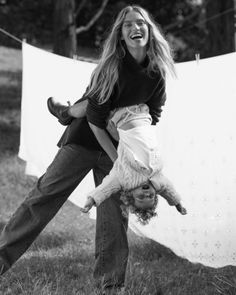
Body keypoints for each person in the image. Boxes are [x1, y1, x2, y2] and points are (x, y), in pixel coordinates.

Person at [0, 5, 176, 294]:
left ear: (149, 29)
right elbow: (95, 120)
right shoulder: (112, 68)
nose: (136, 28)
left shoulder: (156, 73)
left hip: (117, 147)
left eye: (141, 22)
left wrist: (135, 147)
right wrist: (120, 160)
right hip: (84, 141)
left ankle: (110, 285)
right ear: (121, 35)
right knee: (42, 199)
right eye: (128, 24)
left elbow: (153, 115)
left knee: (115, 217)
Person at [48, 100, 187, 223]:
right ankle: (67, 111)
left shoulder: (123, 178)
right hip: (142, 114)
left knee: (95, 103)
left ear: (130, 195)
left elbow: (106, 188)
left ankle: (66, 111)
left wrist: (91, 200)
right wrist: (177, 204)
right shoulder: (158, 180)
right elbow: (169, 191)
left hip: (121, 118)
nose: (147, 193)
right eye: (151, 196)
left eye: (141, 197)